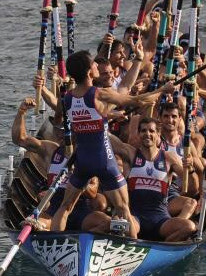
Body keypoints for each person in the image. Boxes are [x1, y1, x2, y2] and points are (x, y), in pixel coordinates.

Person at [47, 49, 175, 235]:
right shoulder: (100, 94)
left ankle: (55, 241)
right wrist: (162, 90)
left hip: (82, 161)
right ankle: (133, 248)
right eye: (94, 64)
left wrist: (105, 115)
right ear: (89, 72)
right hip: (104, 161)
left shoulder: (67, 99)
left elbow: (64, 120)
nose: (96, 66)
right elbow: (137, 100)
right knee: (124, 209)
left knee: (65, 207)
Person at [11, 97, 109, 232]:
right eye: (59, 131)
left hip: (80, 211)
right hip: (54, 211)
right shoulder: (51, 150)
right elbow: (20, 139)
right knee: (30, 225)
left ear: (76, 132)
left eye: (65, 132)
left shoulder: (89, 154)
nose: (60, 135)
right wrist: (21, 112)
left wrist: (78, 178)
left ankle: (82, 239)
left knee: (109, 223)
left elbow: (92, 192)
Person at [127, 117, 196, 242]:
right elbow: (110, 140)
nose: (147, 134)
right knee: (118, 222)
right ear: (138, 134)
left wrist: (190, 170)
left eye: (151, 131)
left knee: (189, 227)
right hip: (135, 217)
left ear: (158, 134)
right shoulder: (131, 154)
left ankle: (163, 247)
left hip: (160, 219)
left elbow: (192, 186)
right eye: (143, 131)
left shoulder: (169, 158)